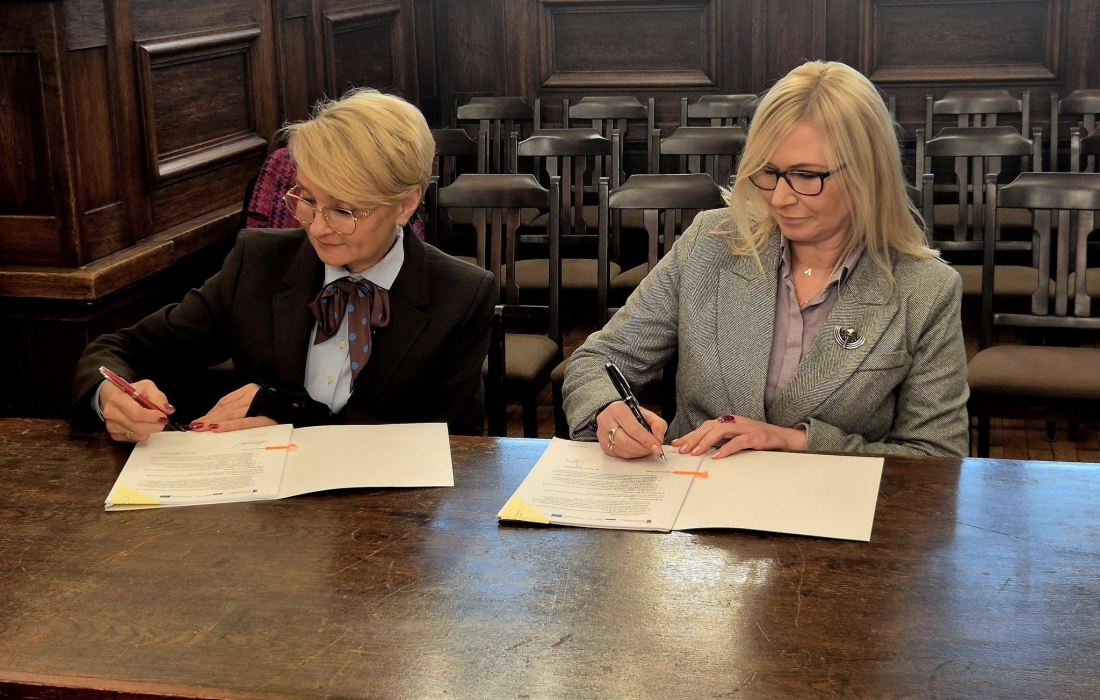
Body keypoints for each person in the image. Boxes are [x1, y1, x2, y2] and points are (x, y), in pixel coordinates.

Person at [562, 61, 969, 459]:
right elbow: (595, 362)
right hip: (698, 494)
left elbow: (937, 456)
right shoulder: (710, 243)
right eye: (768, 171)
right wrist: (606, 410)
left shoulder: (925, 289)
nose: (780, 197)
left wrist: (796, 441)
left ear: (868, 173)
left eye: (807, 176)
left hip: (825, 502)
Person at [72, 89, 495, 440]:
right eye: (306, 199)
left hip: (389, 510)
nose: (317, 226)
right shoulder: (258, 262)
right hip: (265, 506)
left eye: (344, 210)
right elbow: (119, 349)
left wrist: (299, 417)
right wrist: (109, 396)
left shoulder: (460, 293)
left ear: (406, 204)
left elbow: (456, 444)